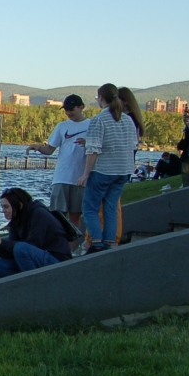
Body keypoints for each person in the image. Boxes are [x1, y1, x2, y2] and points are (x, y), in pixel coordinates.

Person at [77, 83, 142, 253]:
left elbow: (93, 150)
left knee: (90, 208)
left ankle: (96, 242)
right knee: (111, 208)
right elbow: (133, 145)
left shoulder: (99, 120)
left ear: (101, 98)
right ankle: (110, 242)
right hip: (123, 170)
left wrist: (85, 174)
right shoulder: (128, 120)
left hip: (103, 170)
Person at [25, 94, 88, 233]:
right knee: (58, 216)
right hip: (62, 177)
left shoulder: (91, 125)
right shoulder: (62, 126)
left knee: (75, 216)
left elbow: (97, 149)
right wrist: (38, 147)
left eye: (72, 109)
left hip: (81, 178)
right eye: (66, 110)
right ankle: (58, 246)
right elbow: (49, 149)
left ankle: (71, 250)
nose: (68, 113)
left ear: (81, 107)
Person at [0, 187, 73, 276]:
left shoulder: (39, 214)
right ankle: (21, 285)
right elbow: (10, 253)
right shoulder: (16, 220)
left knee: (21, 248)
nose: (3, 211)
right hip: (36, 258)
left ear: (19, 205)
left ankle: (32, 284)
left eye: (6, 207)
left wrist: (1, 241)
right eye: (2, 207)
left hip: (57, 260)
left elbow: (33, 245)